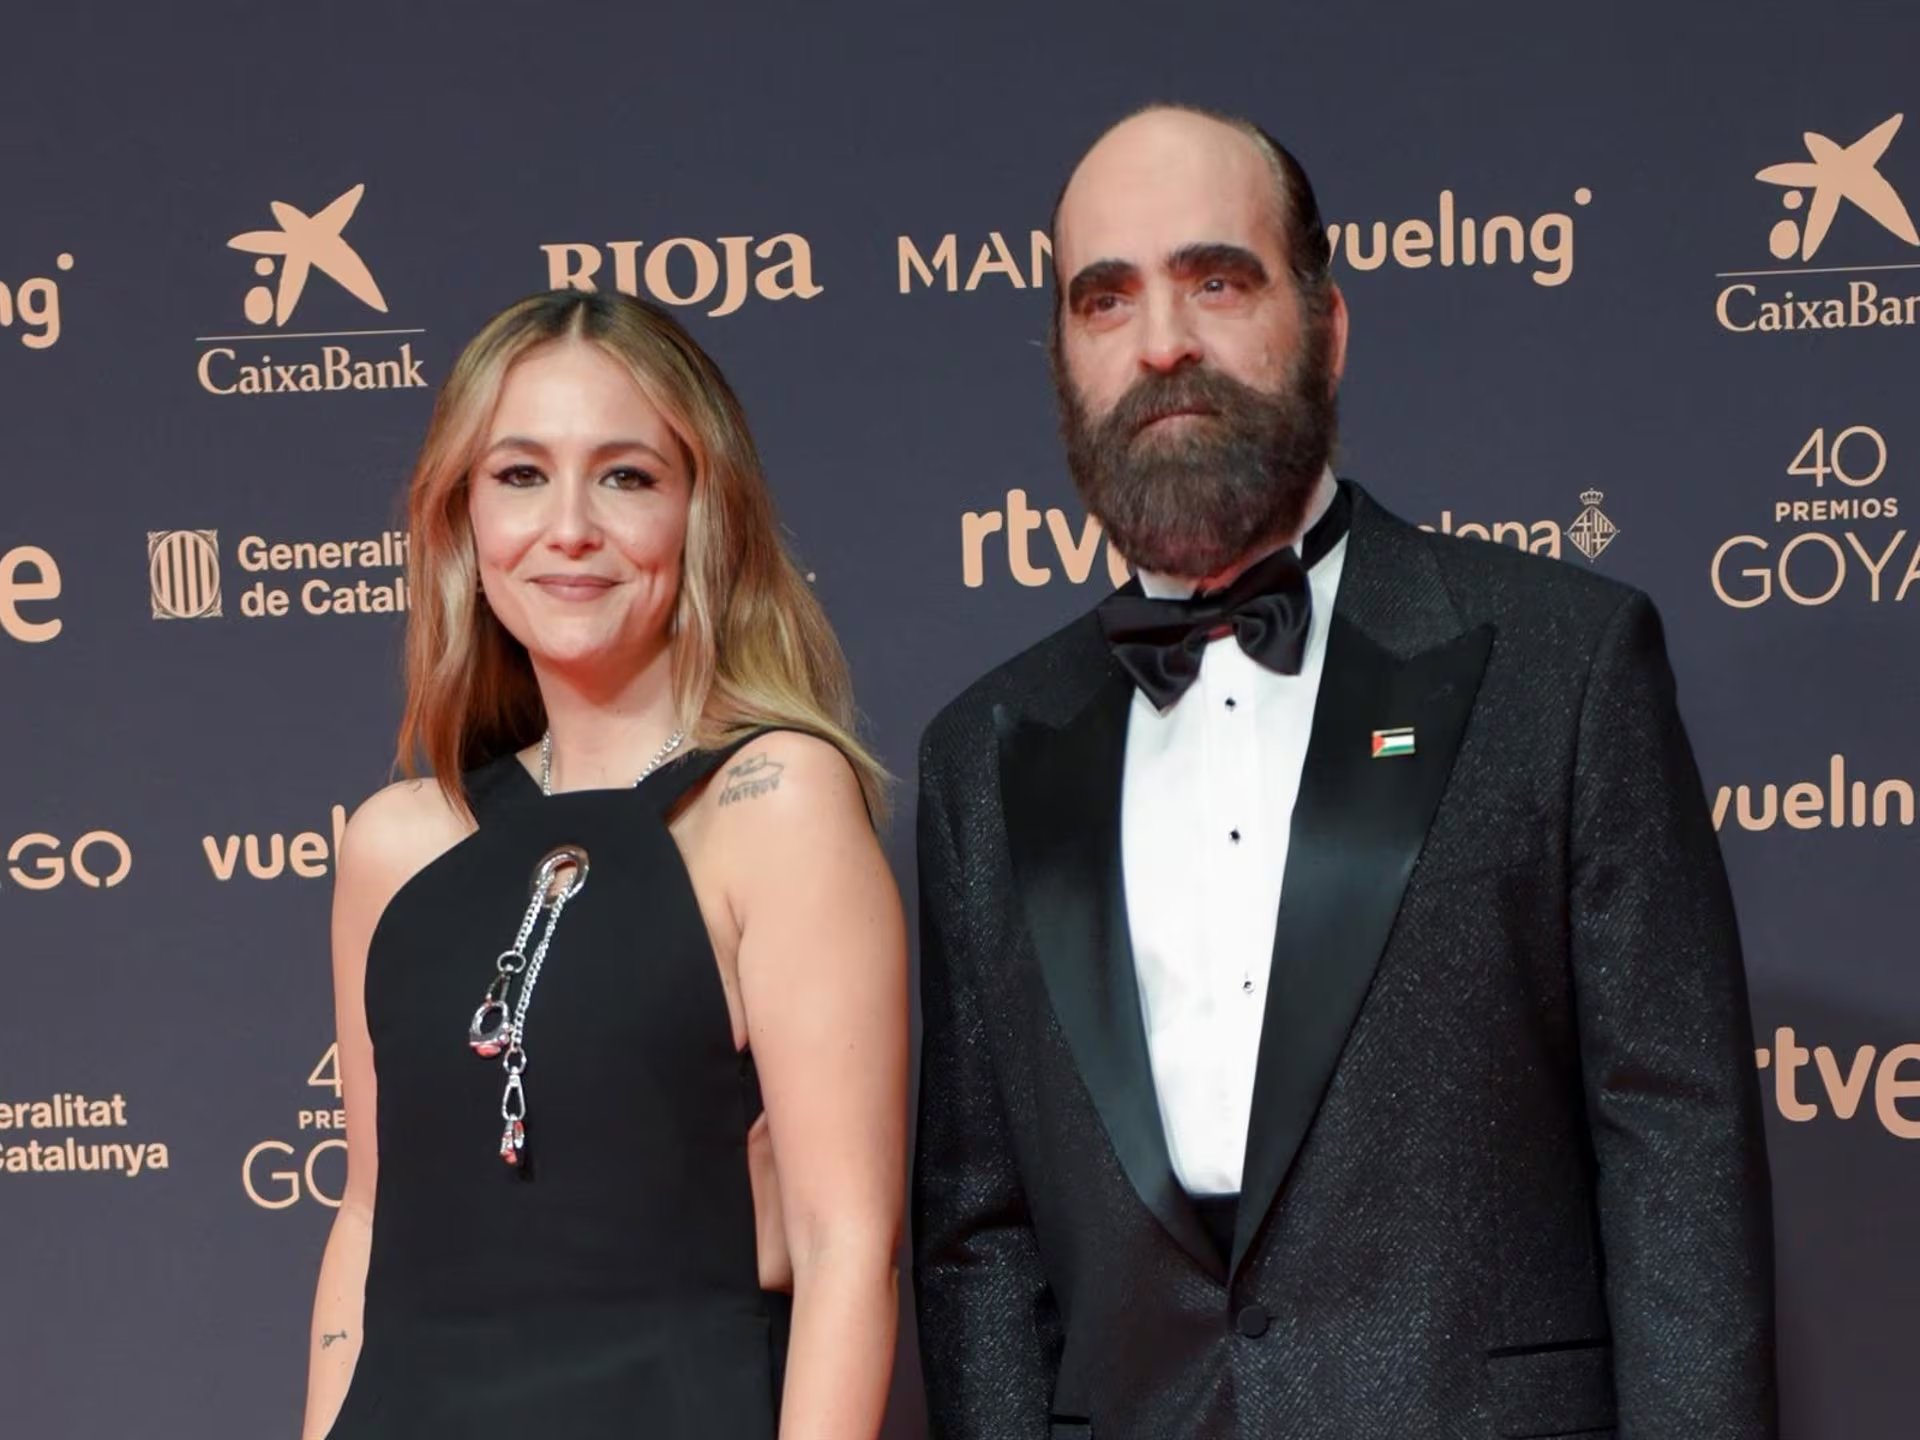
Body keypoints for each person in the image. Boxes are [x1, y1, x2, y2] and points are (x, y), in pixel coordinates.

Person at [912, 104, 1776, 1439]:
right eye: (1105, 299)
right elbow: (982, 1237)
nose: (1163, 344)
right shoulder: (982, 754)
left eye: (1216, 279)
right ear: (1063, 363)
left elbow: (1679, 1168)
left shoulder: (1566, 665)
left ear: (1327, 326)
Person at [301, 290, 907, 1440]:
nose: (568, 527)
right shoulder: (394, 844)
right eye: (519, 475)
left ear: (702, 513)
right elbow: (371, 1216)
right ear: (461, 521)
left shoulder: (773, 802)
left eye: (626, 476)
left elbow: (847, 1245)